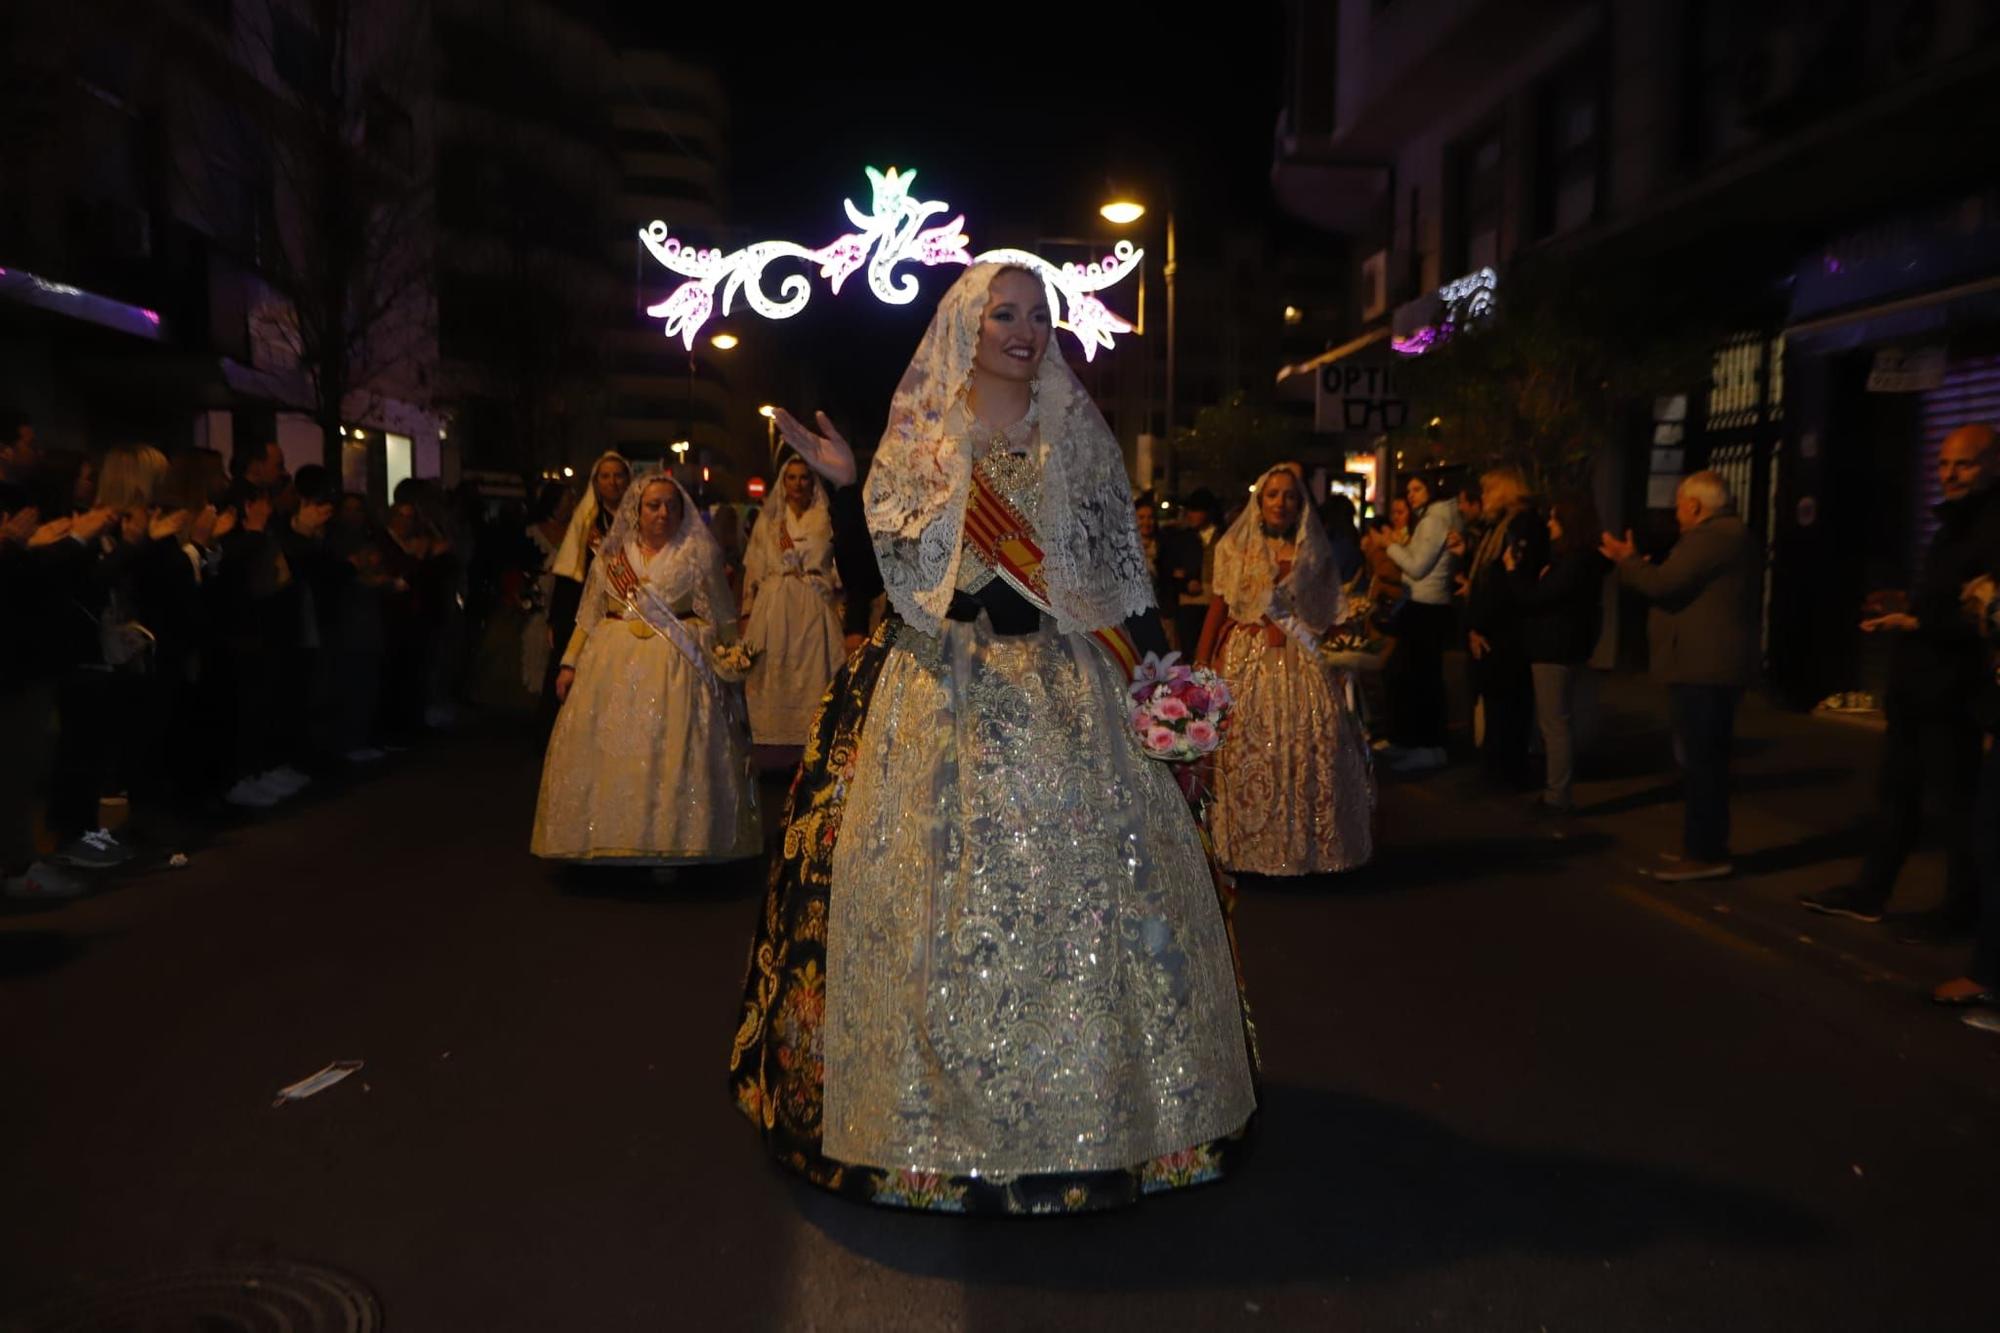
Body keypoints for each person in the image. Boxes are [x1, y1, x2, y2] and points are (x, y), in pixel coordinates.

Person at [730, 264, 1256, 1215]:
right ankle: (923, 1122)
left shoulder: (1078, 437)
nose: (1024, 328)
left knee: (1093, 900)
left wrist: (1162, 673)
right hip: (943, 688)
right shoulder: (919, 435)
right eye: (1003, 312)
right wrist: (850, 491)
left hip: (1067, 688)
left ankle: (1102, 1115)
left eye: (1037, 313)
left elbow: (1120, 576)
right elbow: (883, 574)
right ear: (965, 326)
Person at [1800, 425, 2000, 942]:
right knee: (1897, 795)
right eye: (1943, 464)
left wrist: (1918, 622)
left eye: (1965, 464)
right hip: (1917, 687)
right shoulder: (1952, 525)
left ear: (1993, 464)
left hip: (1953, 690)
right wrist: (1903, 606)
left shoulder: (1991, 525)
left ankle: (1961, 911)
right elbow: (1946, 598)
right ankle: (1871, 892)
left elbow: (1985, 614)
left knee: (1959, 807)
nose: (1949, 474)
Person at [531, 472, 758, 865]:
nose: (663, 512)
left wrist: (730, 658)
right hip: (613, 663)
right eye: (654, 505)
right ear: (637, 510)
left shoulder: (697, 554)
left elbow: (722, 615)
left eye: (671, 505)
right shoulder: (613, 554)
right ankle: (609, 839)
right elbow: (588, 616)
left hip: (677, 668)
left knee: (673, 754)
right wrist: (568, 663)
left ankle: (671, 842)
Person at [1197, 463, 1373, 875]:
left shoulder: (1314, 551)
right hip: (1248, 658)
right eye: (1273, 494)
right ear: (1259, 501)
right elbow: (1219, 605)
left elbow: (1329, 612)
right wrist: (1201, 662)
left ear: (1300, 505)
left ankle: (1309, 850)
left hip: (1302, 662)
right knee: (1249, 751)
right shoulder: (1234, 548)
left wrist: (1349, 651)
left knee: (1310, 748)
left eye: (1289, 496)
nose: (1281, 502)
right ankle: (1247, 849)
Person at [1600, 470, 1762, 883]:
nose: (1675, 513)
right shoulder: (1727, 537)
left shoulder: (1713, 539)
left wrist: (1627, 561)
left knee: (1703, 762)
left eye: (1678, 505)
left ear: (1695, 506)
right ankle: (1701, 846)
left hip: (1704, 669)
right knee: (1701, 761)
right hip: (1705, 666)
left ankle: (1706, 852)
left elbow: (1665, 584)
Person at [1507, 491, 1610, 815]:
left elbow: (1537, 598)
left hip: (1554, 647)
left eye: (1554, 518)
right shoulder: (1578, 560)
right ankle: (1557, 788)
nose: (1549, 524)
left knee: (1555, 723)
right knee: (1559, 721)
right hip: (1565, 644)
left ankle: (1557, 795)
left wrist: (1513, 572)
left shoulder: (1574, 563)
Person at [741, 455, 844, 747]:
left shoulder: (826, 519)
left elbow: (839, 563)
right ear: (783, 483)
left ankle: (813, 743)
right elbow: (755, 566)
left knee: (814, 674)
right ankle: (772, 745)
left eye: (804, 477)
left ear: (813, 482)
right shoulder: (771, 521)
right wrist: (747, 612)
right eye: (792, 477)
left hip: (814, 603)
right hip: (774, 605)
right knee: (774, 671)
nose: (798, 484)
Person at [1461, 467, 1546, 788]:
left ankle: (1506, 771)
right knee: (1496, 703)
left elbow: (1508, 584)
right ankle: (1497, 767)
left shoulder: (1522, 526)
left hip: (1507, 633)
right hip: (1491, 629)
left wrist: (1481, 623)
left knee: (1508, 704)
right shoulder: (1498, 527)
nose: (1484, 498)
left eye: (1488, 491)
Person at [1372, 473, 1460, 773]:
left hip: (1426, 607)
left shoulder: (1434, 520)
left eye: (1417, 488)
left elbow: (1417, 567)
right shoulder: (1433, 518)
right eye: (1408, 490)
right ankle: (1410, 741)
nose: (1411, 495)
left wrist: (1389, 546)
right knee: (1410, 676)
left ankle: (1427, 746)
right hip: (1423, 605)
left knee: (1420, 679)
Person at [543, 451, 631, 722]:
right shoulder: (585, 522)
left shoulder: (639, 521)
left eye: (618, 476)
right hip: (585, 606)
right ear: (596, 482)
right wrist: (556, 620)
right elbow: (569, 573)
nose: (612, 482)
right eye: (605, 476)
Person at [1166, 487, 1224, 653]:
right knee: (1190, 650)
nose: (1190, 515)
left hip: (1216, 601)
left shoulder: (1223, 537)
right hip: (1189, 604)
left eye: (1196, 510)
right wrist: (1185, 583)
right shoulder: (1182, 539)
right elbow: (1170, 571)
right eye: (1189, 510)